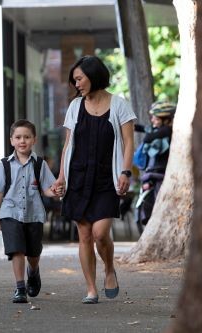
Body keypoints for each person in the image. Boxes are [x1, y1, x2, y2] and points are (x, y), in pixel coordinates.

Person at [52, 55, 136, 304]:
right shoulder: (75, 107)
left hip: (106, 178)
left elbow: (129, 142)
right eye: (74, 80)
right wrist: (61, 177)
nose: (76, 84)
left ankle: (109, 268)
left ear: (93, 75)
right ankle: (91, 288)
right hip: (78, 177)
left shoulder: (119, 105)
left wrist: (125, 171)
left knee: (100, 233)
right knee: (85, 235)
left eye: (79, 79)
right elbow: (68, 145)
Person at [0, 119, 62, 303]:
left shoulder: (39, 164)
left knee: (33, 252)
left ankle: (34, 271)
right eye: (18, 137)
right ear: (12, 140)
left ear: (34, 140)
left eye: (27, 137)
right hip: (9, 213)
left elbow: (46, 189)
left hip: (34, 213)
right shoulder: (4, 165)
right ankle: (20, 288)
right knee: (17, 250)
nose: (22, 141)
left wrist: (54, 192)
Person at [134, 101, 176, 229]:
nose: (152, 120)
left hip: (162, 174)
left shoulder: (167, 131)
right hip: (152, 172)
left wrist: (148, 134)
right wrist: (134, 126)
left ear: (166, 120)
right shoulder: (159, 130)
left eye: (155, 118)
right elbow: (145, 129)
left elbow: (148, 137)